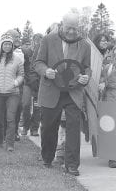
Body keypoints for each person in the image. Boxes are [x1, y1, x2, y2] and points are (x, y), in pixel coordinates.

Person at [34, 11, 91, 176]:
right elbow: (38, 62)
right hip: (51, 90)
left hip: (73, 92)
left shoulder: (84, 45)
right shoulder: (48, 40)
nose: (71, 32)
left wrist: (85, 77)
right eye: (68, 28)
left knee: (73, 129)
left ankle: (72, 165)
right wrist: (46, 71)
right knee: (48, 128)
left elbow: (87, 67)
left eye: (75, 28)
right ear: (61, 24)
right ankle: (47, 158)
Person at [0, 33, 24, 151]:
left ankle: (10, 144)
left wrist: (16, 83)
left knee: (11, 118)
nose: (7, 46)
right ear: (1, 45)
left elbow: (21, 74)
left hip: (13, 93)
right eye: (5, 44)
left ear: (12, 46)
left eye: (9, 44)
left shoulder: (17, 59)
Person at [21, 33, 43, 136]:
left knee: (37, 107)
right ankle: (25, 126)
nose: (37, 43)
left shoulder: (43, 53)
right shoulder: (26, 52)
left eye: (40, 41)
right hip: (27, 82)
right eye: (36, 41)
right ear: (33, 41)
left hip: (39, 84)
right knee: (26, 105)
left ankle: (34, 128)